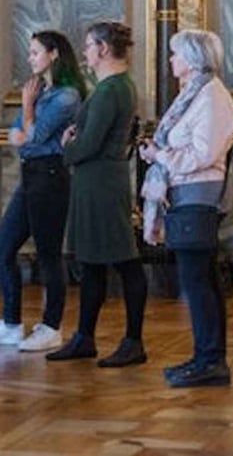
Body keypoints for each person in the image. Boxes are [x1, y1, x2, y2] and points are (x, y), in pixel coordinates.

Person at [0, 31, 85, 352]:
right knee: (1, 248)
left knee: (48, 255)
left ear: (53, 55)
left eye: (35, 52)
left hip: (51, 175)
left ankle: (51, 326)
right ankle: (10, 324)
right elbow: (15, 134)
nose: (30, 57)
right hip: (31, 174)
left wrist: (27, 107)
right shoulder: (41, 90)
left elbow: (32, 134)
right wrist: (27, 122)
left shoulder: (67, 96)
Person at [139, 29, 233, 388]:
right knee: (199, 281)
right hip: (185, 193)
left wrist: (159, 154)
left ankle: (210, 361)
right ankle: (206, 358)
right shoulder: (194, 94)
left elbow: (204, 154)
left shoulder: (211, 96)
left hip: (198, 194)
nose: (170, 60)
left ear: (193, 59)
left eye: (176, 53)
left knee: (198, 282)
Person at [47, 20, 147, 367]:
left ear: (103, 49)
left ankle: (132, 340)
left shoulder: (109, 90)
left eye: (89, 45)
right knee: (92, 262)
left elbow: (89, 144)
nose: (86, 52)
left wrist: (67, 148)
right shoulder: (117, 87)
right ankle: (84, 337)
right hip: (98, 181)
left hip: (101, 183)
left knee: (123, 260)